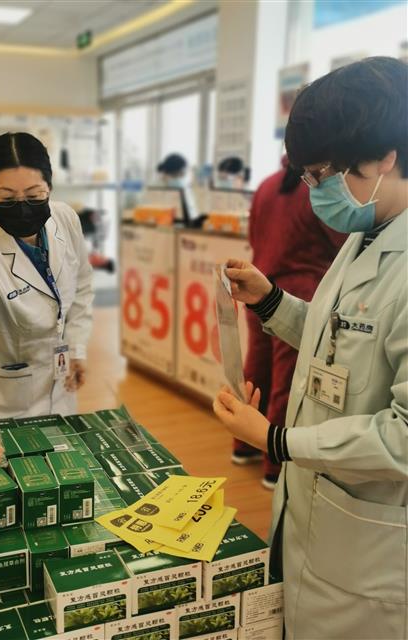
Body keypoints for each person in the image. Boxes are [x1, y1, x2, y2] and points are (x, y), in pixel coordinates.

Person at [213, 57, 407, 638]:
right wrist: (271, 301)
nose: (315, 190)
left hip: (372, 544)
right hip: (317, 508)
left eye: (322, 173)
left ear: (385, 158)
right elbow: (341, 341)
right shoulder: (367, 232)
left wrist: (276, 440)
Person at [0, 132, 93, 484]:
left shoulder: (65, 219)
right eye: (7, 198)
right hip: (10, 402)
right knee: (19, 482)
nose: (23, 206)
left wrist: (76, 347)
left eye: (35, 195)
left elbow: (82, 284)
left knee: (64, 475)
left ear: (50, 187)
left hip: (60, 382)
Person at [231, 158, 346, 490]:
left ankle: (243, 446)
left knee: (256, 370)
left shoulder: (266, 186)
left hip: (260, 285)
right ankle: (274, 465)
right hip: (300, 292)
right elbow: (342, 243)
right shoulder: (321, 190)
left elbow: (254, 234)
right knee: (288, 381)